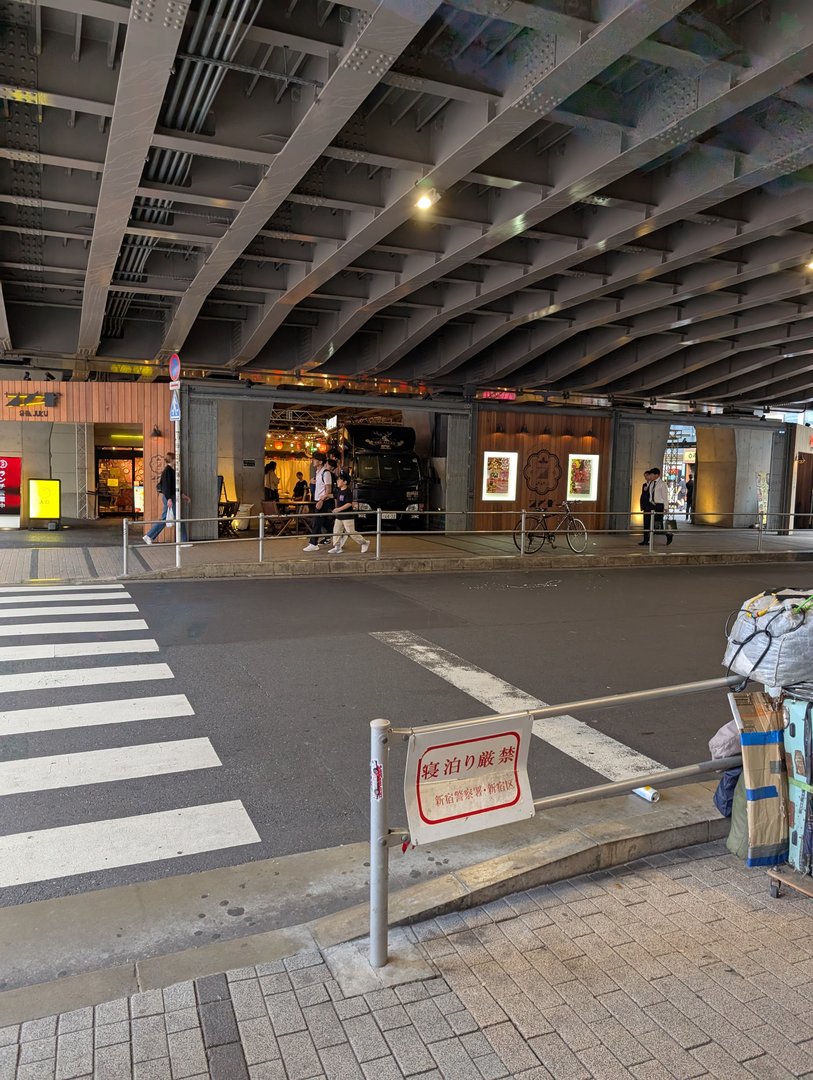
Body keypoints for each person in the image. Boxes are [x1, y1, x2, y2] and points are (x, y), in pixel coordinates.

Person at [144, 451, 191, 546]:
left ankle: (149, 536)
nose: (177, 461)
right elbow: (167, 486)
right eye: (176, 459)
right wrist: (169, 498)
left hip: (169, 497)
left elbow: (172, 487)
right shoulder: (168, 471)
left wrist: (183, 496)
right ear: (173, 460)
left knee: (168, 518)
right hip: (170, 498)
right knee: (177, 518)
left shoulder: (169, 470)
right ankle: (183, 541)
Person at [329, 473, 370, 554]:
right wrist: (325, 496)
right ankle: (337, 547)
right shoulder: (339, 490)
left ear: (344, 482)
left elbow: (349, 503)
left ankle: (364, 542)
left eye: (339, 480)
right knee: (336, 531)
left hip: (347, 516)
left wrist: (338, 509)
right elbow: (334, 495)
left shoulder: (348, 491)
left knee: (351, 532)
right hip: (339, 516)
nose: (337, 481)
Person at [302, 454, 334, 551]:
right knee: (324, 521)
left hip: (324, 500)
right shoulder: (318, 472)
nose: (313, 461)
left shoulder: (326, 473)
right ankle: (338, 533)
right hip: (318, 499)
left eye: (315, 459)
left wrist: (321, 500)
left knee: (317, 521)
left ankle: (313, 543)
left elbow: (328, 489)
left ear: (320, 462)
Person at [648, 467, 673, 545]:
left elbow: (665, 496)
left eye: (651, 474)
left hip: (659, 505)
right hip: (652, 504)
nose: (650, 476)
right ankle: (650, 539)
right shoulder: (651, 483)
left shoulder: (662, 484)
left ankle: (668, 534)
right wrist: (650, 500)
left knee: (658, 523)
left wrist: (666, 507)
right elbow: (651, 494)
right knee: (652, 522)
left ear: (656, 475)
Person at [637, 469, 653, 546]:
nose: (646, 477)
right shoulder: (644, 484)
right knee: (646, 524)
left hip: (651, 507)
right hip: (646, 506)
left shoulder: (654, 484)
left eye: (647, 476)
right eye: (645, 476)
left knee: (653, 524)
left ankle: (667, 534)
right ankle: (645, 540)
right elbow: (643, 496)